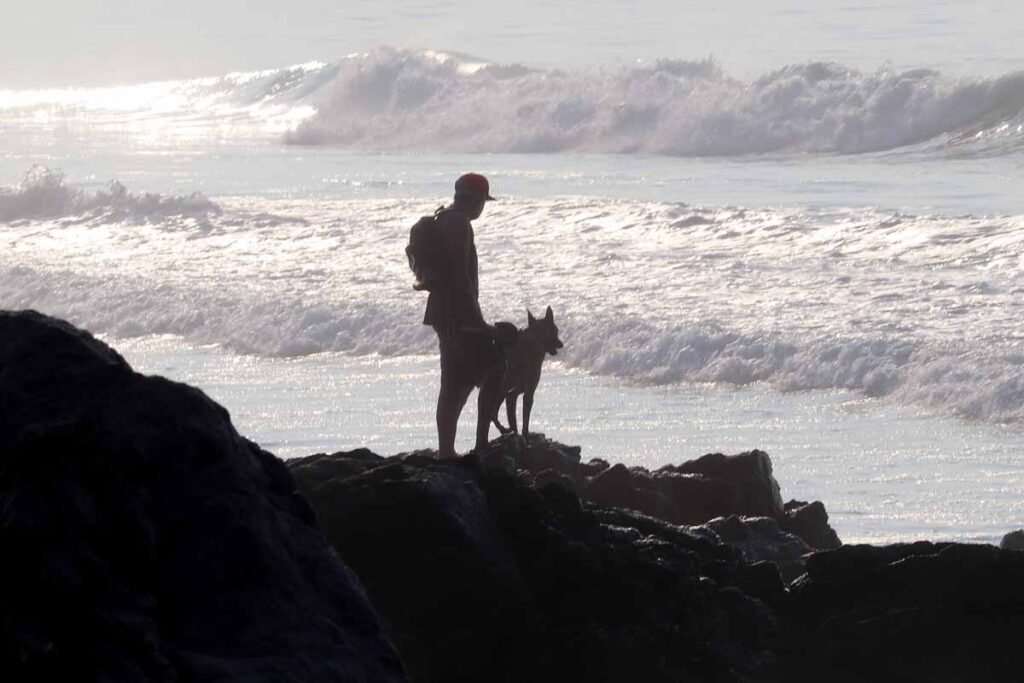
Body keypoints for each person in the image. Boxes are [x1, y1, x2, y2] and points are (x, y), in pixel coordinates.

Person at [423, 173, 505, 458]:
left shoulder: (443, 217)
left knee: (455, 381)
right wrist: (477, 321)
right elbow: (460, 276)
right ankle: (468, 446)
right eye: (484, 201)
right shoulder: (459, 224)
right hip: (457, 314)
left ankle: (447, 450)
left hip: (443, 311)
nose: (483, 207)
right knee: (492, 371)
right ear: (477, 199)